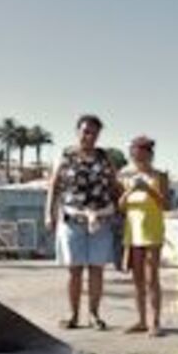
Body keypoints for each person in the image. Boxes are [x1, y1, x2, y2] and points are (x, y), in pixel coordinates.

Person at [46, 114, 121, 330]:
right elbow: (54, 186)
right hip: (72, 219)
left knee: (97, 269)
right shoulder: (66, 155)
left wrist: (120, 211)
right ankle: (73, 315)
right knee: (74, 270)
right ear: (77, 131)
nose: (89, 136)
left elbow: (114, 185)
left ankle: (94, 315)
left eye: (94, 133)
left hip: (101, 220)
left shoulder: (104, 157)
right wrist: (48, 213)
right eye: (86, 131)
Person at [119, 136, 168, 337]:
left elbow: (165, 204)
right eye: (135, 156)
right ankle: (141, 320)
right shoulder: (126, 177)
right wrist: (130, 189)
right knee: (137, 279)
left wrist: (148, 189)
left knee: (151, 278)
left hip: (152, 232)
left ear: (150, 155)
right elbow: (121, 206)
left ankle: (154, 321)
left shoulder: (159, 176)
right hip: (133, 233)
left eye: (142, 155)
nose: (139, 159)